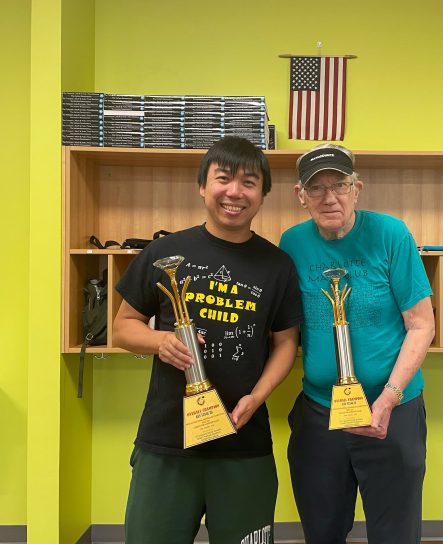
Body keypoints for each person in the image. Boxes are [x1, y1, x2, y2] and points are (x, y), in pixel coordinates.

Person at [113, 136, 303, 544]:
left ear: (263, 195)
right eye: (223, 179)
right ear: (203, 186)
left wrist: (258, 396)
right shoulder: (164, 251)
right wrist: (159, 342)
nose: (235, 192)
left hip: (243, 444)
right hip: (167, 442)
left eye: (249, 182)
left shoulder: (278, 265)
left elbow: (286, 343)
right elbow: (123, 326)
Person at [279, 143, 435, 544]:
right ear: (300, 196)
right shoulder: (292, 243)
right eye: (316, 188)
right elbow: (282, 328)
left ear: (357, 188)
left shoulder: (391, 234)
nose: (329, 197)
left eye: (340, 185)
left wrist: (388, 397)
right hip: (320, 414)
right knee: (323, 531)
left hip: (393, 411)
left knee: (395, 534)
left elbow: (421, 325)